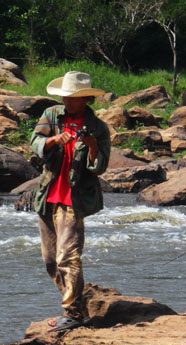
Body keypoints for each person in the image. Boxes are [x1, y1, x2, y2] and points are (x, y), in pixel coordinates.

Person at [29, 71, 110, 331]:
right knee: (51, 261)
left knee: (69, 258)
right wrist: (54, 139)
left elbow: (99, 167)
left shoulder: (98, 128)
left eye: (73, 98)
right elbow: (35, 141)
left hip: (74, 200)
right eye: (65, 96)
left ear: (86, 99)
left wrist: (93, 146)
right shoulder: (52, 115)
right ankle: (78, 308)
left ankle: (72, 313)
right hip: (47, 196)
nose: (67, 101)